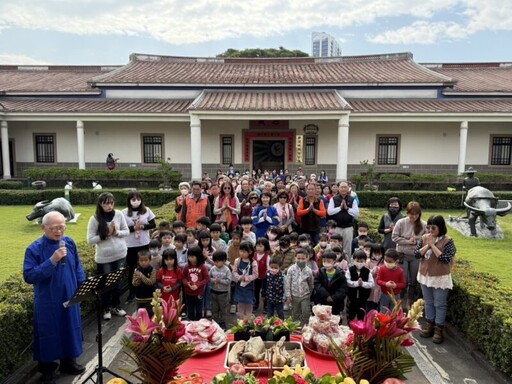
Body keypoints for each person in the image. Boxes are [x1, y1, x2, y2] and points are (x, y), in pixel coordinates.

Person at [23, 212, 86, 383]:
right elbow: (29, 276)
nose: (59, 231)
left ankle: (68, 362)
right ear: (43, 228)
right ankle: (47, 370)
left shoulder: (69, 243)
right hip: (48, 300)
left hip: (70, 295)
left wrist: (82, 287)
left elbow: (78, 266)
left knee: (69, 327)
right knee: (48, 332)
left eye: (62, 227)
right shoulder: (34, 248)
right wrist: (52, 260)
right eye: (54, 228)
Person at [87, 192, 129, 320]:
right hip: (104, 258)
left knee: (117, 282)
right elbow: (90, 239)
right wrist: (105, 235)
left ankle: (116, 305)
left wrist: (116, 232)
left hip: (120, 254)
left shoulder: (119, 214)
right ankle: (106, 307)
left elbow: (126, 231)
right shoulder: (95, 219)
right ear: (101, 204)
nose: (109, 206)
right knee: (106, 283)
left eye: (111, 203)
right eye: (106, 203)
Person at [415, 215, 456, 344]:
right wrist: (427, 245)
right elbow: (417, 254)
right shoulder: (424, 238)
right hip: (425, 276)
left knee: (440, 303)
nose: (430, 230)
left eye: (434, 227)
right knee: (428, 301)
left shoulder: (448, 241)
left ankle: (439, 328)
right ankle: (429, 324)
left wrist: (433, 246)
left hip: (440, 277)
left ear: (440, 227)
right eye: (428, 227)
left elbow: (445, 258)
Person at [122, 190, 156, 303]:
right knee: (132, 268)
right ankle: (132, 292)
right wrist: (133, 228)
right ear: (129, 201)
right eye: (133, 199)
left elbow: (153, 224)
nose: (136, 201)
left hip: (144, 243)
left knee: (145, 267)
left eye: (138, 199)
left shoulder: (146, 210)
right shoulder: (124, 212)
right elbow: (122, 229)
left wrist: (141, 227)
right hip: (130, 245)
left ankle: (146, 289)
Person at [391, 201, 426, 310]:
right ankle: (399, 301)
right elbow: (394, 237)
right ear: (407, 213)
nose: (414, 217)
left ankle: (409, 302)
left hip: (415, 255)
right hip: (402, 254)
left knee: (413, 280)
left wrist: (417, 241)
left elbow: (426, 239)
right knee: (403, 279)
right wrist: (407, 241)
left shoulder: (423, 224)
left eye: (416, 214)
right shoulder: (401, 222)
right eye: (412, 214)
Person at [327, 181, 359, 258]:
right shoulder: (333, 199)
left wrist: (347, 208)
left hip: (348, 227)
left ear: (348, 188)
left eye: (345, 187)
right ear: (338, 188)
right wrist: (340, 208)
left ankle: (346, 265)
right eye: (342, 187)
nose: (343, 189)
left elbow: (356, 214)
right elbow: (329, 212)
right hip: (337, 227)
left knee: (347, 248)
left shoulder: (352, 199)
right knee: (335, 247)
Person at [314, 250, 347, 318]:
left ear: (334, 261)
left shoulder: (340, 274)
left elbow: (343, 289)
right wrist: (326, 296)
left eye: (328, 261)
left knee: (334, 322)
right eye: (324, 261)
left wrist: (334, 297)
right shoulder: (320, 272)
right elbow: (317, 285)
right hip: (322, 302)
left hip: (336, 304)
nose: (326, 263)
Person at [285, 248, 314, 326]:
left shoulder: (309, 270)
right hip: (294, 296)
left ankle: (305, 326)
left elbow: (311, 283)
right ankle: (295, 327)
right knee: (295, 313)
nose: (300, 260)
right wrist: (288, 295)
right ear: (295, 258)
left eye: (303, 258)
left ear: (307, 258)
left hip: (305, 295)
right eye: (298, 258)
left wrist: (309, 294)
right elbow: (288, 283)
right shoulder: (291, 269)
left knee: (306, 312)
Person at [232, 241, 258, 320]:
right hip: (240, 286)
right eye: (241, 251)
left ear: (250, 252)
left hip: (249, 286)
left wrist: (246, 278)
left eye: (244, 251)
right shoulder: (237, 261)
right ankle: (240, 319)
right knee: (240, 302)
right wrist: (239, 277)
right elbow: (234, 272)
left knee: (249, 303)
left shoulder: (253, 263)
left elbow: (256, 275)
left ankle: (249, 319)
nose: (242, 253)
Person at [182, 245, 209, 321]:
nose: (190, 258)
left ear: (198, 256)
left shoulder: (203, 267)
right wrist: (187, 284)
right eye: (189, 256)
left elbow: (207, 279)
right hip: (188, 293)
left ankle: (199, 323)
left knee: (199, 310)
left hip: (199, 293)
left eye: (192, 257)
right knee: (190, 309)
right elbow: (183, 277)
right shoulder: (187, 266)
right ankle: (190, 323)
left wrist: (198, 285)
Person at [346, 249, 374, 321]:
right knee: (350, 314)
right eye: (357, 261)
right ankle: (350, 327)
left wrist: (363, 284)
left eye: (361, 261)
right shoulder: (350, 270)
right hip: (351, 297)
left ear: (365, 261)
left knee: (361, 314)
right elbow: (347, 281)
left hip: (363, 298)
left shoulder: (367, 272)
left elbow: (371, 283)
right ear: (353, 260)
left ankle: (360, 327)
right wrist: (356, 283)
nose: (359, 263)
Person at [209, 250, 232, 330]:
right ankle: (215, 322)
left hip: (223, 293)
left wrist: (220, 281)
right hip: (214, 291)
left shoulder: (227, 270)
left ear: (224, 261)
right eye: (215, 261)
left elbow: (229, 281)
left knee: (223, 308)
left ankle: (222, 322)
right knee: (214, 308)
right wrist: (214, 280)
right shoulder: (212, 269)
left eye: (218, 261)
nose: (216, 263)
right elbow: (209, 278)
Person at [132, 249, 157, 317]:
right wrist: (138, 279)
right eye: (141, 261)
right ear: (138, 261)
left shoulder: (152, 270)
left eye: (146, 260)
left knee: (150, 315)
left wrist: (142, 277)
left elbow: (151, 282)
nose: (143, 262)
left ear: (150, 260)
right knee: (140, 316)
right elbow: (134, 283)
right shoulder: (137, 270)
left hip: (149, 297)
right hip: (139, 298)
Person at [254, 237, 271, 312]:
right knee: (255, 292)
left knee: (264, 292)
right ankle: (255, 304)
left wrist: (267, 277)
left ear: (265, 247)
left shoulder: (267, 256)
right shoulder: (253, 255)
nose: (258, 248)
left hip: (264, 278)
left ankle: (266, 306)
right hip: (255, 278)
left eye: (261, 246)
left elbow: (268, 268)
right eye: (257, 246)